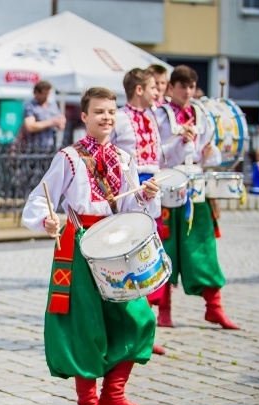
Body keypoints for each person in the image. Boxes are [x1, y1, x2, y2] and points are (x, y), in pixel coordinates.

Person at [22, 87, 161, 405]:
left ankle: (113, 395)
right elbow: (41, 199)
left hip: (117, 241)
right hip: (80, 243)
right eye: (99, 111)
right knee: (85, 325)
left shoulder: (125, 159)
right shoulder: (68, 157)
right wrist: (47, 221)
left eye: (111, 111)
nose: (106, 117)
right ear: (84, 117)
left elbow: (132, 209)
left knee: (138, 316)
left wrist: (145, 195)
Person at [153, 64, 238, 330]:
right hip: (168, 192)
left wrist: (209, 152)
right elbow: (156, 153)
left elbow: (208, 154)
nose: (188, 91)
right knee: (166, 252)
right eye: (182, 86)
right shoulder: (161, 115)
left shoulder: (201, 114)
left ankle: (215, 307)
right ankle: (164, 312)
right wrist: (179, 141)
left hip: (197, 191)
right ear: (171, 87)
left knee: (204, 249)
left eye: (191, 86)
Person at [109, 68, 167, 356]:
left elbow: (160, 151)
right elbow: (109, 152)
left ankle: (146, 328)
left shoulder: (154, 116)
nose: (159, 92)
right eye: (154, 87)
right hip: (129, 187)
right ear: (140, 89)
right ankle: (129, 327)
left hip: (151, 186)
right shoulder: (119, 117)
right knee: (129, 257)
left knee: (148, 255)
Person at [17, 80, 66, 149]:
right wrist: (52, 122)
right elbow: (30, 127)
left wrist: (60, 123)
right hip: (35, 147)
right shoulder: (30, 105)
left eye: (48, 93)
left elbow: (61, 126)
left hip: (52, 146)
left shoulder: (53, 105)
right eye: (44, 93)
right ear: (36, 93)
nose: (46, 96)